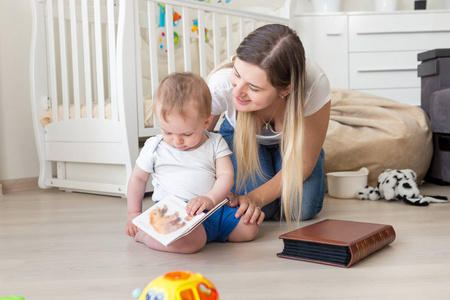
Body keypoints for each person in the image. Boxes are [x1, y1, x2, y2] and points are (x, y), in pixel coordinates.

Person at [207, 24, 332, 227]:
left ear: (285, 90)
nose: (237, 92)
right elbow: (199, 141)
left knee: (301, 208)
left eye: (254, 87)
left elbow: (303, 163)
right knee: (259, 209)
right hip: (241, 136)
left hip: (294, 144)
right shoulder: (221, 84)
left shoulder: (314, 84)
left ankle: (307, 154)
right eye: (237, 74)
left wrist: (257, 197)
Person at [125, 72, 259, 254]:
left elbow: (226, 175)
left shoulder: (215, 142)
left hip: (214, 208)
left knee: (249, 228)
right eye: (167, 132)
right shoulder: (155, 147)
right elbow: (138, 179)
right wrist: (134, 213)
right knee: (189, 244)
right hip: (175, 214)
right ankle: (145, 235)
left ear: (206, 122)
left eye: (187, 134)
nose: (177, 140)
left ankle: (208, 234)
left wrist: (211, 198)